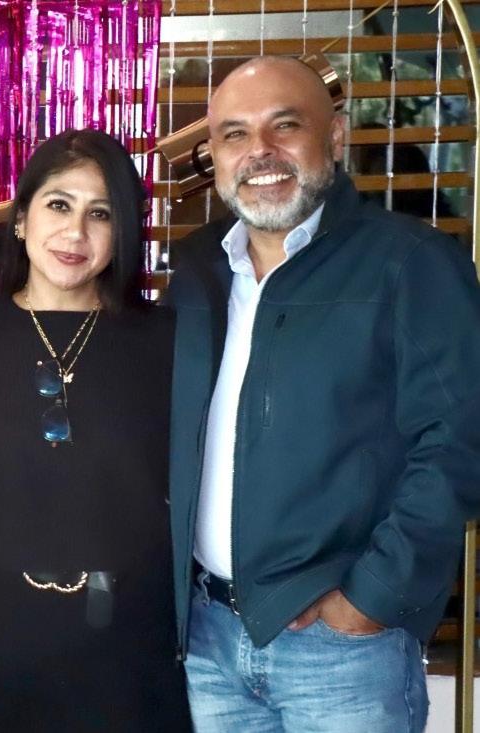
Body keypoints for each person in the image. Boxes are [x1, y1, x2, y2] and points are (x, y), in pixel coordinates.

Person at [168, 56, 480, 732]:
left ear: (334, 136)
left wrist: (373, 598)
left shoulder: (410, 263)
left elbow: (460, 441)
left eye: (285, 125)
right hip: (209, 638)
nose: (260, 151)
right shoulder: (196, 271)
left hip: (342, 650)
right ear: (215, 155)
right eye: (234, 133)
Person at [0, 129, 190, 731]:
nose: (75, 233)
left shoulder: (167, 340)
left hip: (133, 647)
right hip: (3, 644)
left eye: (100, 213)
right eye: (59, 205)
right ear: (22, 219)